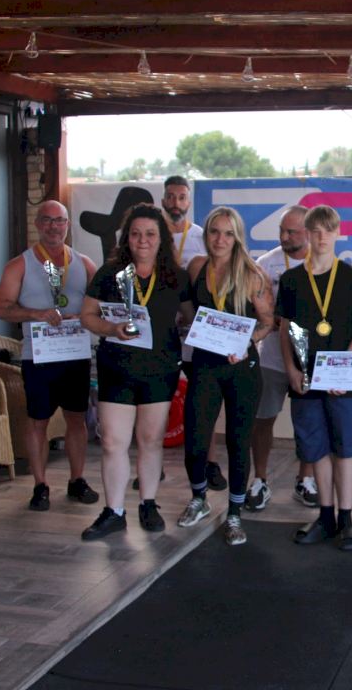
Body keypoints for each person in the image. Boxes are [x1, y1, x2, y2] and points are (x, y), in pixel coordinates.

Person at [78, 203, 193, 540]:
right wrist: (111, 329)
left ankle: (148, 504)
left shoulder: (176, 277)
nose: (143, 240)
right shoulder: (108, 273)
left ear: (161, 239)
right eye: (136, 234)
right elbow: (87, 316)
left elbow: (190, 317)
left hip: (159, 370)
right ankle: (114, 511)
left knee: (150, 441)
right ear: (126, 237)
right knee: (113, 442)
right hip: (117, 368)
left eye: (150, 234)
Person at [0, 200, 100, 511]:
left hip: (74, 355)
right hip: (38, 357)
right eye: (48, 220)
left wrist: (85, 316)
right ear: (38, 224)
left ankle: (77, 480)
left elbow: (102, 306)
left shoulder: (84, 263)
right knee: (38, 421)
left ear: (67, 225)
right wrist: (36, 313)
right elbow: (0, 308)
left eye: (60, 220)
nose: (54, 227)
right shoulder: (19, 265)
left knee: (76, 419)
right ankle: (40, 485)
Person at [278, 205, 352, 550]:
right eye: (315, 231)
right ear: (306, 233)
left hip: (341, 381)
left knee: (344, 449)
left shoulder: (351, 277)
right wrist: (291, 369)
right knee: (315, 447)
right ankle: (326, 515)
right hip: (305, 379)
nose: (321, 237)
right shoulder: (291, 280)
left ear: (337, 234)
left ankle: (346, 519)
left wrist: (343, 372)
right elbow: (284, 331)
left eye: (327, 231)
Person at [178, 207, 274, 545]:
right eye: (214, 232)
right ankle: (199, 498)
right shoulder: (196, 267)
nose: (220, 239)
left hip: (241, 368)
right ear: (206, 234)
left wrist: (248, 342)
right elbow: (190, 309)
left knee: (237, 441)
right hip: (205, 364)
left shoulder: (252, 274)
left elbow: (267, 321)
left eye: (228, 233)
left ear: (237, 237)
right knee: (195, 438)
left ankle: (234, 513)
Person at [250, 206, 317, 511]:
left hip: (309, 358)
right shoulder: (265, 264)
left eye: (292, 231)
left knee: (309, 422)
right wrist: (272, 319)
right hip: (272, 358)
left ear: (308, 232)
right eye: (282, 231)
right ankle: (260, 479)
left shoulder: (322, 262)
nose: (285, 237)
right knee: (263, 419)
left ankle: (306, 479)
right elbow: (255, 310)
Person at [162, 175, 221, 490]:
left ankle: (210, 463)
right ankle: (153, 466)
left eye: (182, 197)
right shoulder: (152, 235)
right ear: (163, 200)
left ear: (189, 201)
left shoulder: (201, 236)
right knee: (157, 401)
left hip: (195, 333)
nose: (176, 203)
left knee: (204, 401)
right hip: (161, 332)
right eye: (171, 196)